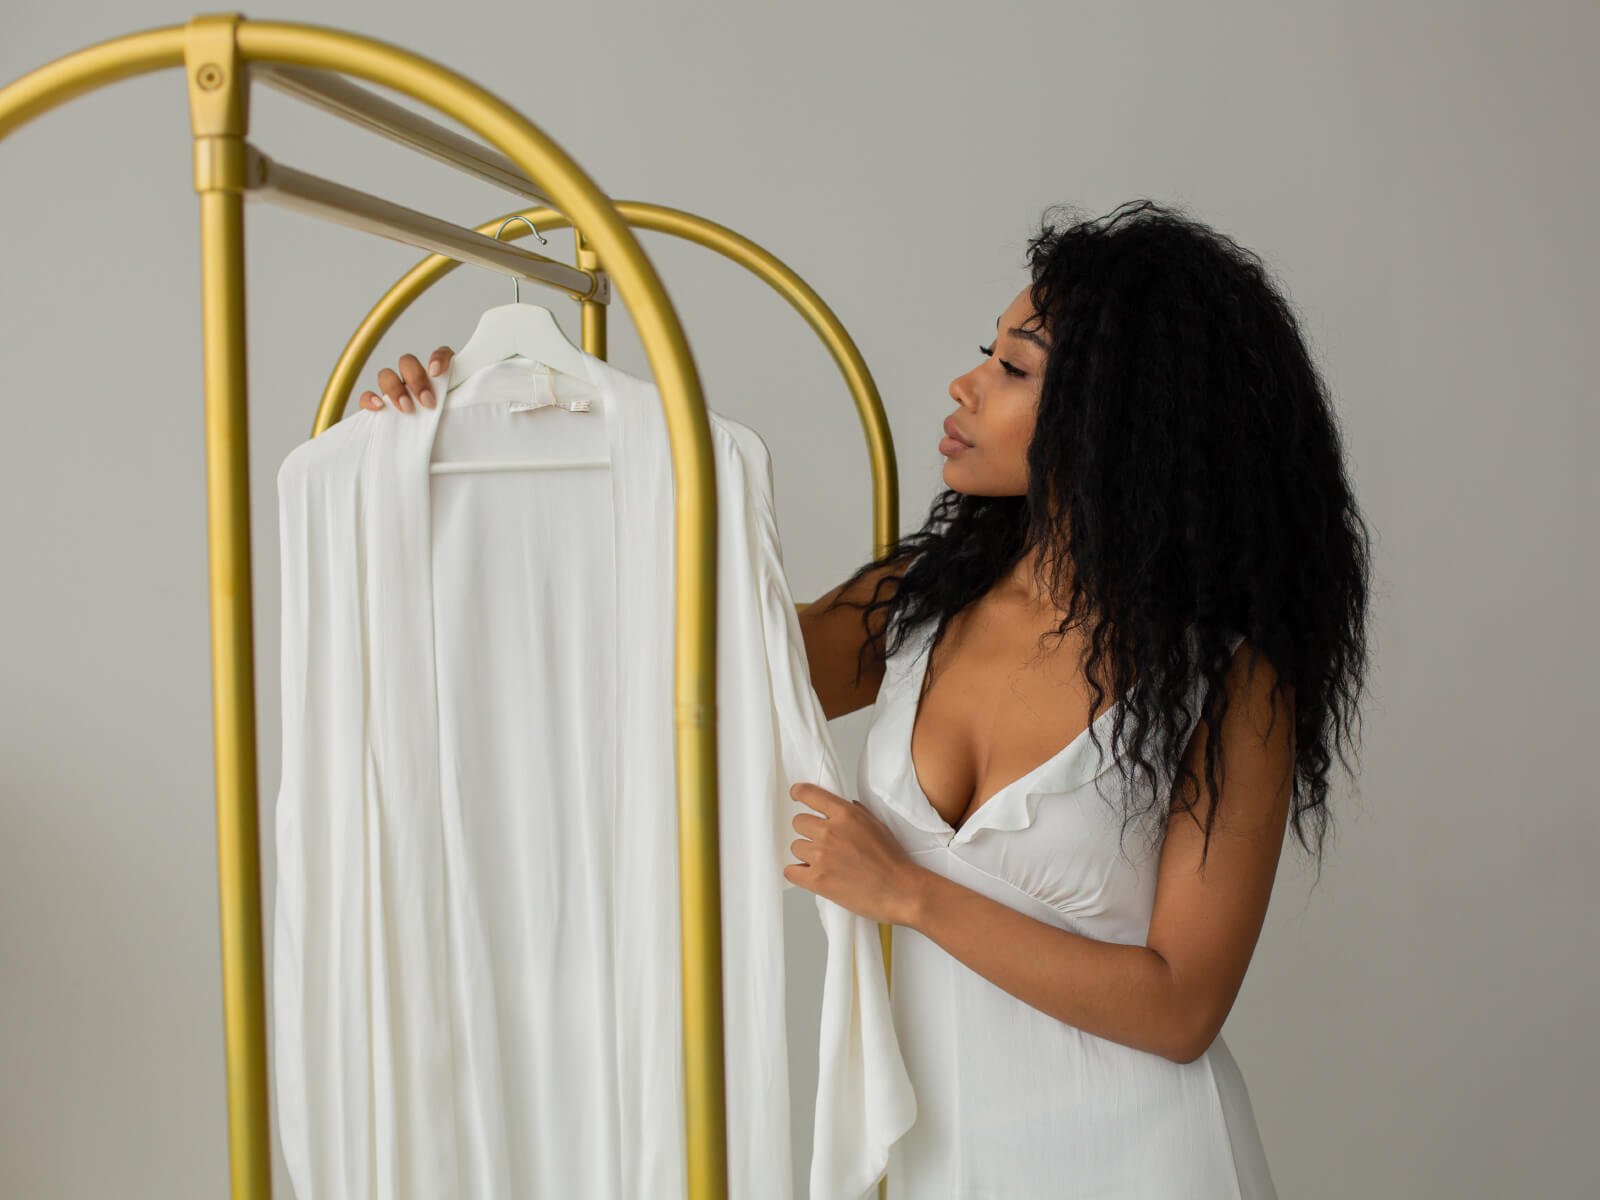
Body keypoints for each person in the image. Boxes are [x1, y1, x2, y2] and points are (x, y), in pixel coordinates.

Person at [357, 199, 1371, 1196]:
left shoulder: (1227, 681)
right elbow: (679, 652)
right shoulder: (923, 605)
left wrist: (909, 894)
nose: (965, 385)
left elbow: (1179, 1007)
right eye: (989, 353)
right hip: (941, 1166)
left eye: (1014, 369)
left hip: (1146, 1165)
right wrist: (470, 442)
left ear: (1119, 422)